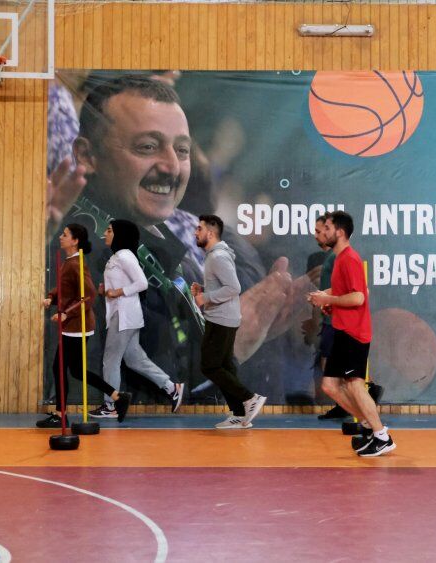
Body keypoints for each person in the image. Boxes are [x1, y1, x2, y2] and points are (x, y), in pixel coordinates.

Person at [47, 74, 307, 406]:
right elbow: (97, 407)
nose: (172, 166)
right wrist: (228, 350)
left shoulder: (169, 246)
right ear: (87, 155)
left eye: (181, 150)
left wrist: (257, 338)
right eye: (147, 147)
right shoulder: (72, 254)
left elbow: (177, 365)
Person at [308, 212, 395, 457]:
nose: (323, 232)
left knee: (355, 384)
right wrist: (327, 299)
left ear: (340, 232)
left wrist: (329, 299)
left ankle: (381, 436)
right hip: (342, 330)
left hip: (354, 333)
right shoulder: (340, 259)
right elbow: (346, 291)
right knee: (329, 386)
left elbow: (359, 296)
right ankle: (369, 425)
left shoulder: (350, 259)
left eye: (327, 228)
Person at [37, 224, 131, 428]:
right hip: (73, 325)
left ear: (75, 241)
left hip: (77, 326)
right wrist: (51, 297)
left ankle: (62, 415)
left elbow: (88, 295)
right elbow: (65, 289)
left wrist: (66, 313)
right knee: (73, 370)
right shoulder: (70, 262)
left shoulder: (76, 264)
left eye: (65, 235)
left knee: (63, 369)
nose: (61, 237)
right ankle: (117, 397)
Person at [94, 219, 185, 418]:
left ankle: (111, 405)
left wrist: (118, 291)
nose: (105, 234)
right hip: (124, 316)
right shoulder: (118, 256)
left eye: (109, 230)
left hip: (123, 316)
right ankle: (172, 388)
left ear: (120, 234)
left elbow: (142, 283)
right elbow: (122, 285)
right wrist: (107, 290)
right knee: (135, 360)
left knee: (110, 361)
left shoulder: (125, 256)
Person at [192, 215, 267, 429]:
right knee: (224, 366)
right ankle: (239, 413)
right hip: (222, 317)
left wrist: (205, 297)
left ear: (210, 233)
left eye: (199, 229)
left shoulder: (218, 257)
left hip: (221, 318)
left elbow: (234, 288)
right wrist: (204, 290)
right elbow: (224, 286)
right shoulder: (216, 255)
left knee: (210, 366)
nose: (195, 232)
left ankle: (250, 398)